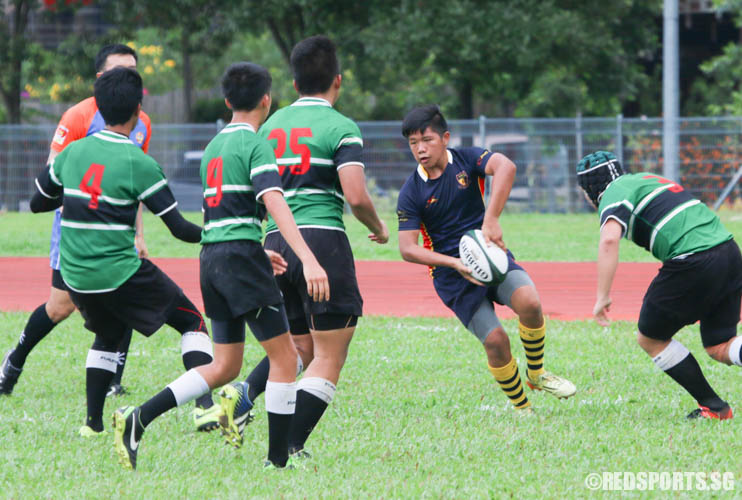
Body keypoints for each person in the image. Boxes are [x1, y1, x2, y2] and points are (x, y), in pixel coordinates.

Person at [112, 62, 329, 471]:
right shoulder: (255, 143)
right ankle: (277, 462)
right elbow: (275, 203)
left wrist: (252, 249)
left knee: (225, 364)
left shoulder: (214, 146)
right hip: (238, 261)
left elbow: (223, 215)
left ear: (227, 101)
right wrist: (308, 257)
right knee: (286, 359)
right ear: (267, 100)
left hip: (212, 259)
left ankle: (137, 417)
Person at [28, 67, 217, 437]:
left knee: (109, 333)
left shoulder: (72, 153)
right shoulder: (139, 163)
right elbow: (179, 228)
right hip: (119, 273)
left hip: (75, 276)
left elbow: (38, 202)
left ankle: (92, 425)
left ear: (97, 107)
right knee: (192, 322)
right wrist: (219, 233)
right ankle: (205, 408)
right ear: (138, 110)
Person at [232, 35, 389, 458]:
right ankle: (289, 447)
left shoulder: (271, 124)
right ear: (337, 81)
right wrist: (379, 227)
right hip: (321, 243)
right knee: (328, 355)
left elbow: (253, 190)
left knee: (298, 346)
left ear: (295, 82)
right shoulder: (341, 127)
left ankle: (244, 394)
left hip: (274, 243)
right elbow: (355, 196)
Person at [0, 44, 149, 404]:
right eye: (118, 72)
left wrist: (139, 233)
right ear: (100, 79)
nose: (128, 80)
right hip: (76, 230)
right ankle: (12, 364)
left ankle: (112, 381)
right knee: (61, 306)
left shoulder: (142, 122)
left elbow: (135, 181)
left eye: (134, 74)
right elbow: (52, 175)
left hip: (118, 231)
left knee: (122, 296)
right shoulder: (78, 116)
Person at [396, 105, 575, 412]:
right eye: (413, 143)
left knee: (530, 303)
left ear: (445, 138)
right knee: (495, 341)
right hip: (452, 275)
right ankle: (522, 408)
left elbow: (506, 166)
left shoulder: (466, 160)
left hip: (489, 252)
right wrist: (453, 263)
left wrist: (490, 219)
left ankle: (536, 373)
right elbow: (407, 249)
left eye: (426, 139)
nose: (420, 149)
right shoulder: (411, 191)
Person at [577, 150, 742, 420]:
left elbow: (609, 240)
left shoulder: (613, 192)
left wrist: (602, 297)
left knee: (650, 338)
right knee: (720, 345)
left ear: (590, 189)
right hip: (729, 251)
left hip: (694, 259)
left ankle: (715, 408)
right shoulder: (645, 179)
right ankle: (715, 408)